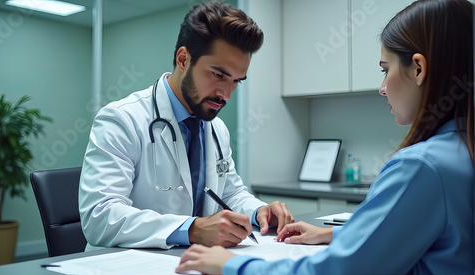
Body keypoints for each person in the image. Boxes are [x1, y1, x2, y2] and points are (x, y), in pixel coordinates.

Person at [176, 0, 475, 273]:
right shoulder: (460, 151)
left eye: (385, 69)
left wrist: (234, 267)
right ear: (183, 59)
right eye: (219, 75)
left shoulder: (422, 166)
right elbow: (414, 232)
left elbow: (339, 271)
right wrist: (336, 234)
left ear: (419, 68)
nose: (382, 87)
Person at [78, 1, 294, 251]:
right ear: (183, 59)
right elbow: (100, 217)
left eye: (236, 81)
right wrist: (192, 229)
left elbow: (230, 194)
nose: (226, 94)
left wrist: (260, 211)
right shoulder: (121, 119)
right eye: (218, 75)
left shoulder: (216, 129)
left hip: (192, 262)